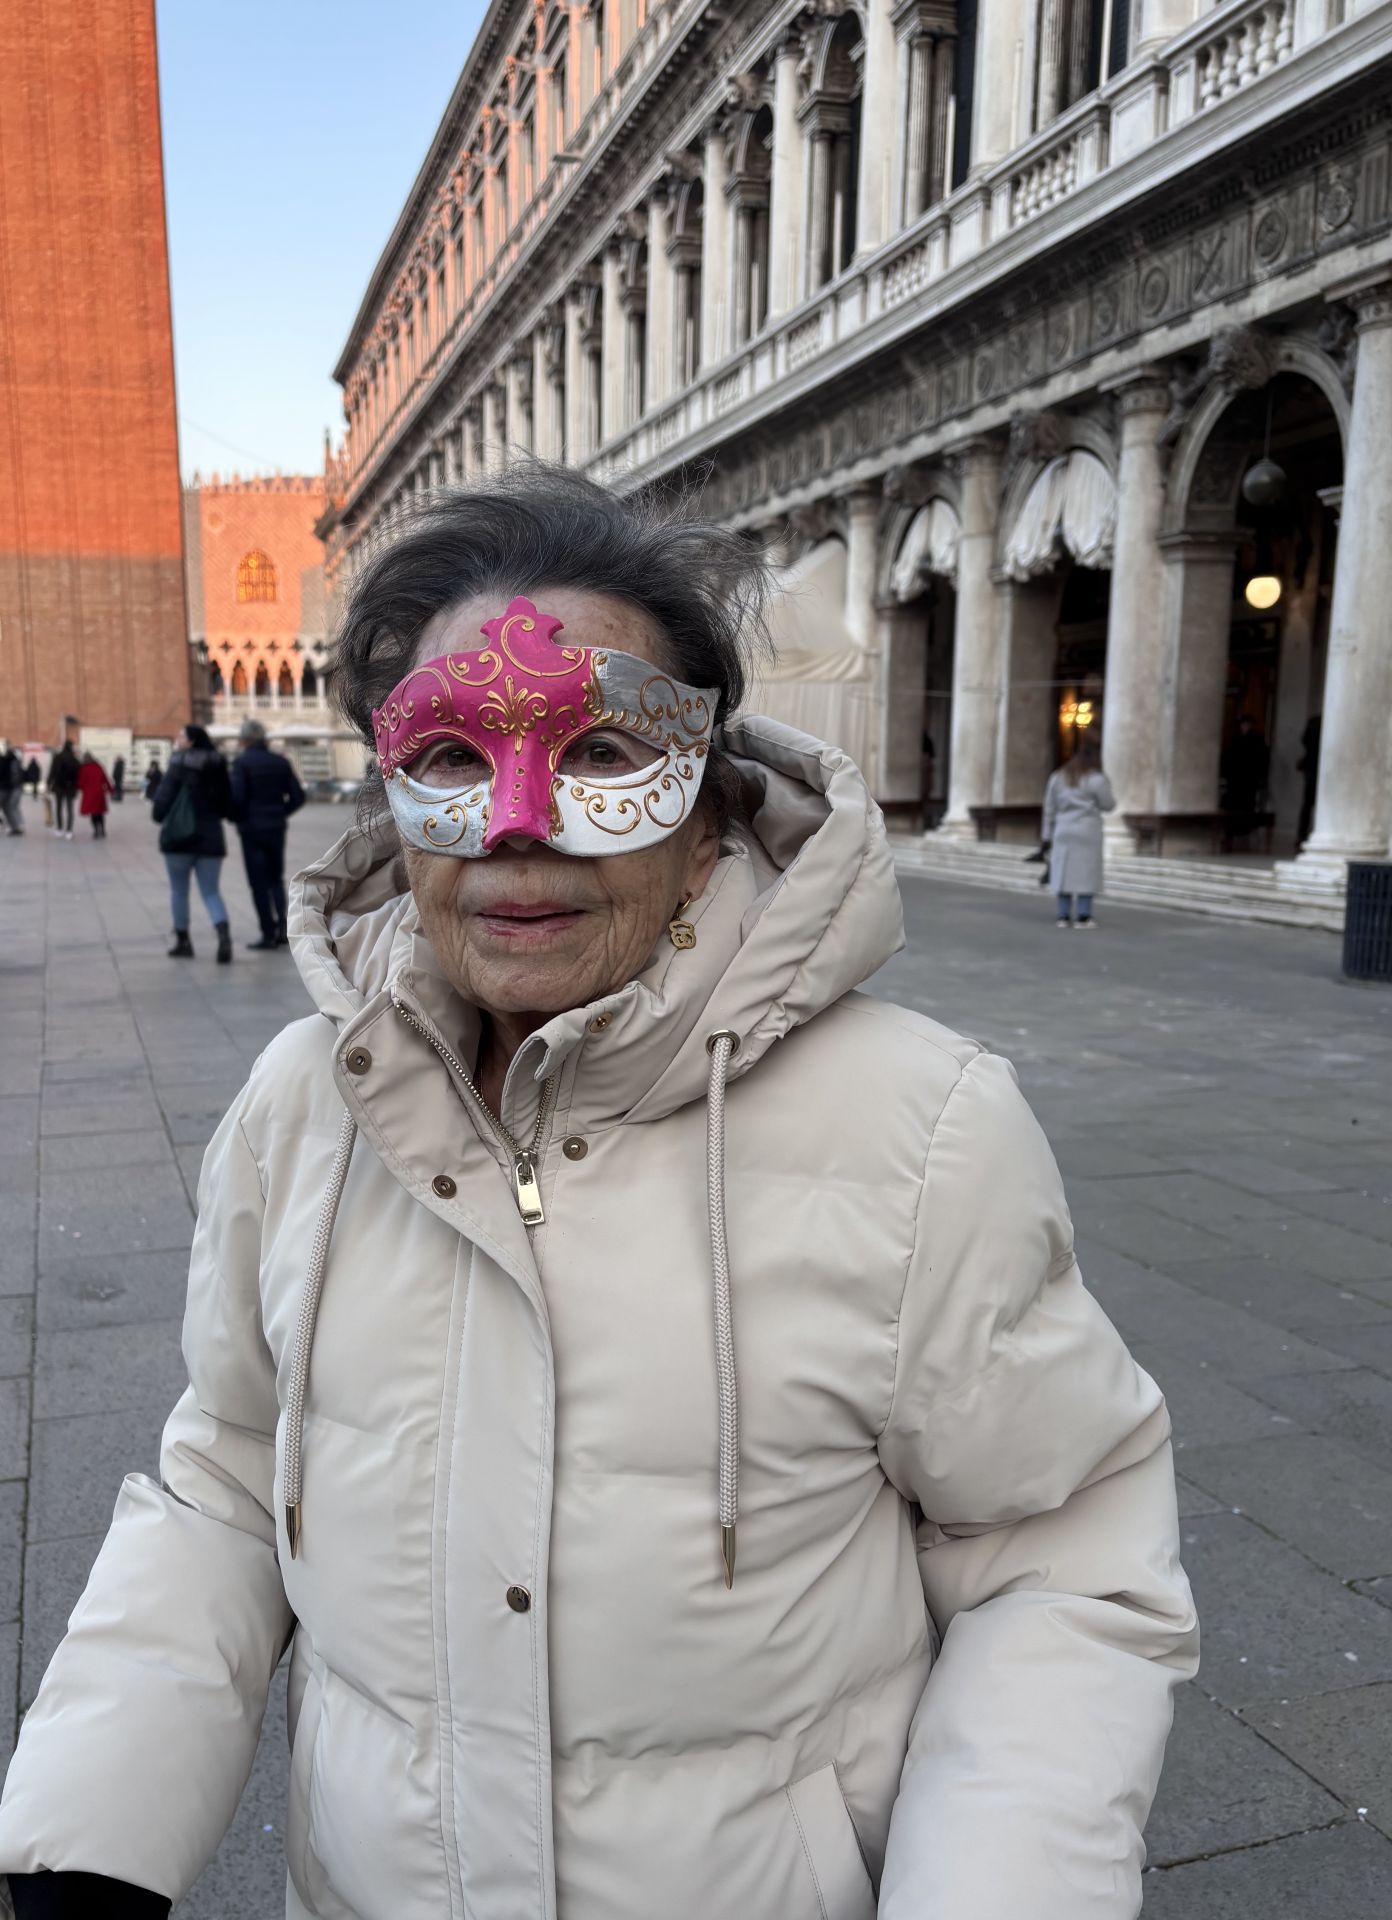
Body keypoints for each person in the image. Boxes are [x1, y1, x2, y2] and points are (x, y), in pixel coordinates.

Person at [0, 473, 1195, 1920]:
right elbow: (232, 1477)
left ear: (702, 808)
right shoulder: (300, 1109)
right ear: (391, 793)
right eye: (450, 753)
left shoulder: (924, 1131)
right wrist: (88, 1839)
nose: (517, 825)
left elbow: (1063, 1566)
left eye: (602, 755)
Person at [150, 726, 234, 963]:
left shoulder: (178, 763)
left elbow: (163, 797)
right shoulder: (218, 764)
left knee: (179, 891)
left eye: (180, 737)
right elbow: (227, 803)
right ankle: (223, 934)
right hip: (211, 837)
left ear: (191, 741)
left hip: (179, 838)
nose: (177, 740)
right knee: (211, 891)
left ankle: (183, 941)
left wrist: (158, 815)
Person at [229, 718, 305, 949]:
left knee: (258, 883)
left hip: (252, 830)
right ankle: (283, 928)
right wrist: (280, 812)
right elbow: (298, 796)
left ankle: (267, 932)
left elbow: (238, 798)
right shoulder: (280, 762)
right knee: (275, 879)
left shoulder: (242, 763)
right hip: (275, 827)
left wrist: (237, 817)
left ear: (244, 740)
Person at [1043, 736, 1115, 928]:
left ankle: (1063, 915)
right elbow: (1108, 805)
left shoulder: (1058, 777)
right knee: (1086, 872)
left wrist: (1046, 837)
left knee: (1063, 871)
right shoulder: (1097, 779)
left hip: (1064, 828)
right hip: (1087, 830)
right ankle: (1083, 916)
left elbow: (1049, 808)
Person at [1220, 712, 1269, 841]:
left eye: (1247, 724)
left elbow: (1261, 758)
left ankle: (1245, 829)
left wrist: (1259, 776)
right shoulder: (1235, 738)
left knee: (1247, 804)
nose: (1245, 727)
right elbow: (1228, 757)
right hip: (1235, 778)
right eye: (1243, 724)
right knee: (1233, 804)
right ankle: (1232, 829)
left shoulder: (1257, 739)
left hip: (1248, 779)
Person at [1297, 711, 1322, 849]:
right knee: (1309, 805)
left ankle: (1301, 835)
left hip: (1312, 769)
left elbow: (1305, 742)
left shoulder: (1313, 723)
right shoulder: (1316, 723)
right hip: (1315, 769)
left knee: (1307, 805)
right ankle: (1303, 835)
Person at [76, 753, 114, 839]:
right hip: (99, 793)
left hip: (89, 794)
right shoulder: (98, 767)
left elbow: (80, 783)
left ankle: (96, 830)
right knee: (100, 813)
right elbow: (105, 779)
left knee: (93, 813)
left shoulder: (83, 769)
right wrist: (110, 790)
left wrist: (80, 788)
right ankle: (103, 830)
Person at [45, 744, 79, 839]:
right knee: (70, 809)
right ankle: (69, 831)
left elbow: (52, 771)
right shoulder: (74, 759)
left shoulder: (57, 758)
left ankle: (59, 829)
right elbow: (78, 774)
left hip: (59, 787)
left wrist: (48, 784)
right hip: (71, 788)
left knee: (59, 808)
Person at [0, 746, 23, 837]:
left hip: (2, 789)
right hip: (9, 789)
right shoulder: (12, 761)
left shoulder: (3, 761)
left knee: (8, 808)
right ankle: (15, 827)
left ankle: (15, 827)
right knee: (7, 808)